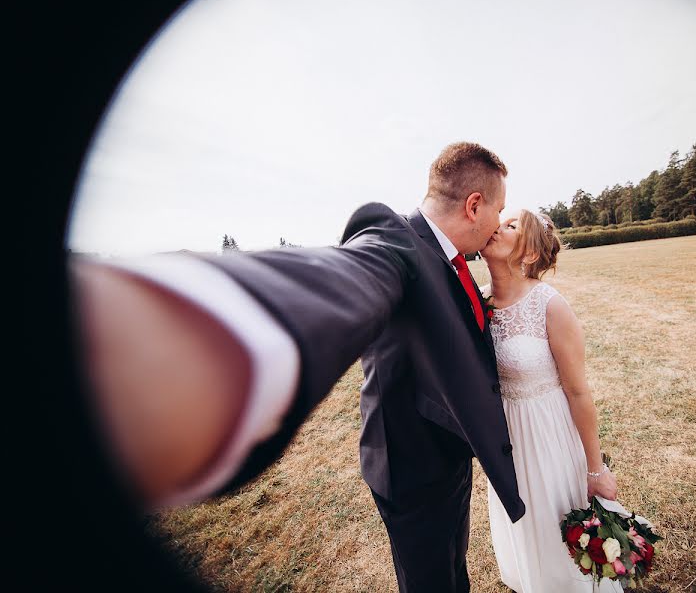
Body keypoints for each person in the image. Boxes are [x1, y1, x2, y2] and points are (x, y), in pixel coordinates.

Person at [71, 142, 524, 593]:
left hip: (446, 455)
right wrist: (213, 320)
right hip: (414, 467)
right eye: (498, 209)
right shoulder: (396, 240)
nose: (498, 223)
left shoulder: (451, 259)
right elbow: (348, 275)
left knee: (452, 569)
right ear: (473, 205)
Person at [478, 210, 622, 592]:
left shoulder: (550, 305)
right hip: (506, 444)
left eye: (511, 227)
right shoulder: (478, 304)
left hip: (549, 435)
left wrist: (596, 470)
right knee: (525, 529)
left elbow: (578, 391)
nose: (497, 227)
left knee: (558, 531)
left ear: (528, 255)